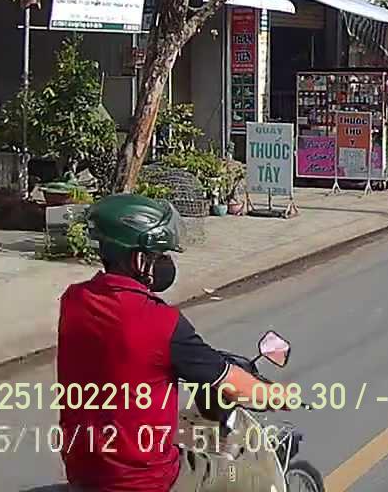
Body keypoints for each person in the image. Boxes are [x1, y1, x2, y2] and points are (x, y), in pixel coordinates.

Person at [58, 194, 285, 492]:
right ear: (139, 259)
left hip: (84, 468)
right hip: (146, 479)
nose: (167, 262)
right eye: (161, 255)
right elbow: (231, 382)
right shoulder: (161, 322)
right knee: (252, 480)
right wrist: (277, 396)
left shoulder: (74, 300)